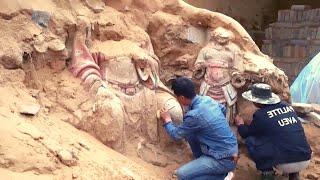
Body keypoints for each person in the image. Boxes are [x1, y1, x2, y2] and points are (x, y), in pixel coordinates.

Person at [160, 77, 238, 180]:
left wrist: (167, 120)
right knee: (191, 134)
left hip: (222, 159)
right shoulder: (207, 100)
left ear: (182, 98)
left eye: (177, 97)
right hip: (231, 151)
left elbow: (176, 135)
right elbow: (223, 110)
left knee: (180, 176)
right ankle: (205, 164)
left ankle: (224, 176)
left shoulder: (195, 116)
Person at [235, 83, 312, 180]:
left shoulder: (261, 115)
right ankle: (294, 175)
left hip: (285, 164)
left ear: (257, 101)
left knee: (251, 140)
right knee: (289, 139)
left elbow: (245, 133)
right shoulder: (287, 107)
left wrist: (240, 124)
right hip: (305, 158)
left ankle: (268, 173)